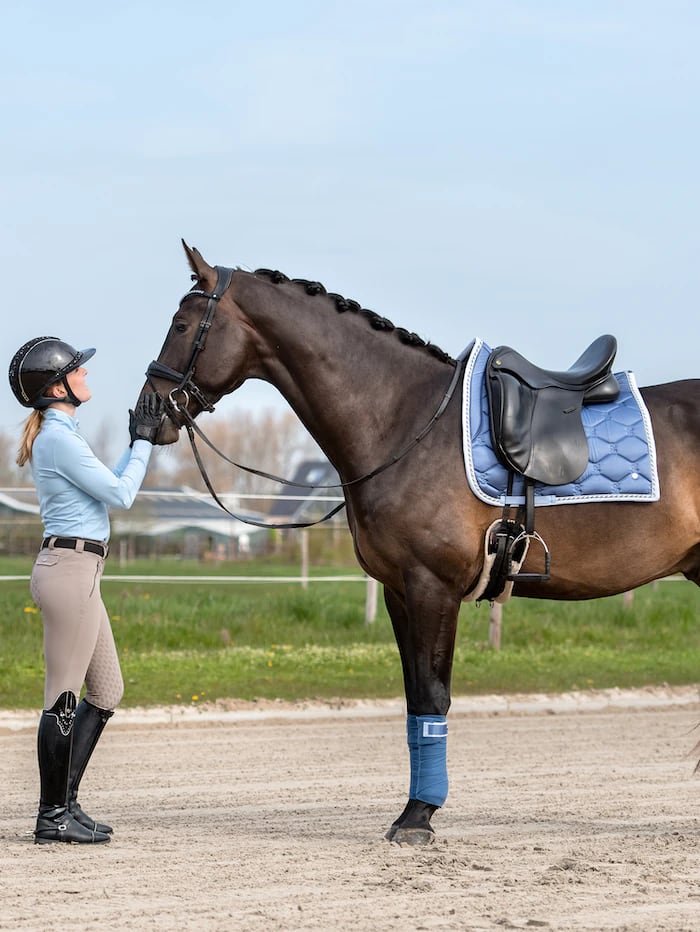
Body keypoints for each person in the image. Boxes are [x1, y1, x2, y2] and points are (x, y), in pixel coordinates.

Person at [8, 336, 163, 845]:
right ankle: (51, 816)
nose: (87, 376)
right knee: (63, 699)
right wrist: (142, 440)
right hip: (69, 572)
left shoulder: (65, 435)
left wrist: (138, 441)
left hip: (83, 573)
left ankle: (66, 803)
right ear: (58, 387)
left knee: (108, 690)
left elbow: (109, 484)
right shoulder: (58, 439)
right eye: (79, 371)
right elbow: (122, 493)